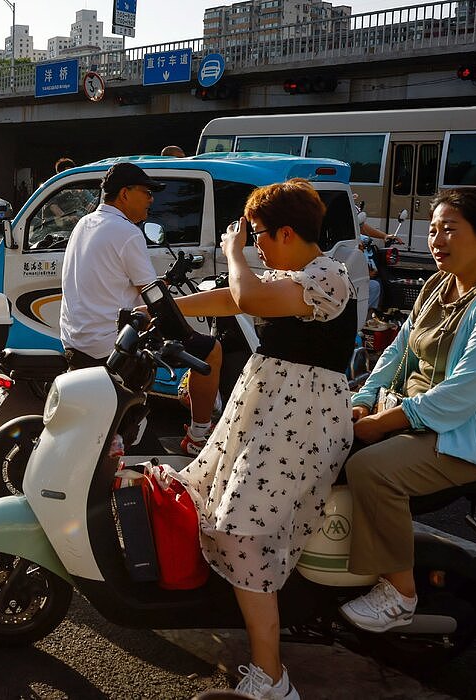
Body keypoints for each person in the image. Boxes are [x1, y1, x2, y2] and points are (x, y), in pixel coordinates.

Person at [174, 179, 357, 700]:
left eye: (257, 235)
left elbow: (246, 292)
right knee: (207, 502)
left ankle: (272, 677)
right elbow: (234, 298)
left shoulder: (328, 277)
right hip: (273, 414)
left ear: (285, 231)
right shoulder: (294, 273)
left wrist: (233, 253)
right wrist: (165, 308)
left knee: (240, 532)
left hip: (302, 424)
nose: (253, 245)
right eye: (249, 239)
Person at [339, 189, 476, 634]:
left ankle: (399, 594)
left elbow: (460, 396)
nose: (437, 240)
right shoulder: (438, 284)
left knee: (372, 470)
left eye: (450, 229)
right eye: (433, 230)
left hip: (467, 432)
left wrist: (379, 424)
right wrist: (360, 400)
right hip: (413, 414)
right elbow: (398, 352)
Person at [58, 161, 222, 455]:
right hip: (111, 346)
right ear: (124, 194)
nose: (151, 198)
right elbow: (153, 297)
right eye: (146, 192)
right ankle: (199, 436)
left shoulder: (85, 224)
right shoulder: (127, 232)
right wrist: (181, 330)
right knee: (211, 350)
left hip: (76, 342)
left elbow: (128, 285)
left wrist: (170, 278)